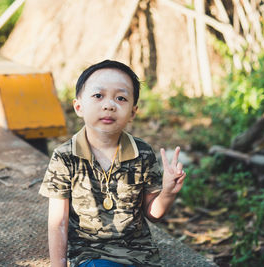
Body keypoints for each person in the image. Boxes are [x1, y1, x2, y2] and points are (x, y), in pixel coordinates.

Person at [39, 60, 186, 267]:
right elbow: (58, 223)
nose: (109, 105)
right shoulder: (65, 157)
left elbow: (153, 214)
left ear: (133, 112)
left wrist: (168, 192)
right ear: (79, 107)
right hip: (91, 253)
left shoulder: (142, 154)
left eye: (121, 98)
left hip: (139, 254)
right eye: (98, 96)